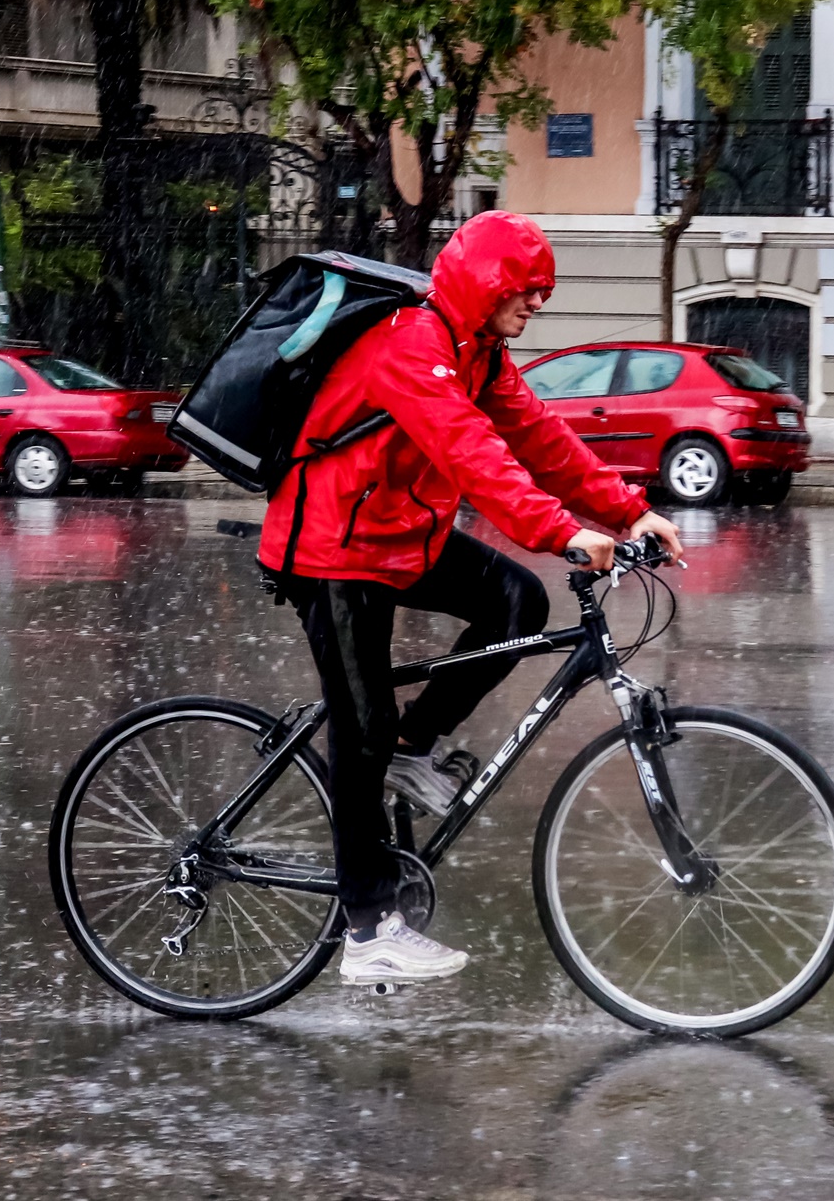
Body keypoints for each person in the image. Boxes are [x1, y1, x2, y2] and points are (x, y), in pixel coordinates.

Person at [257, 210, 685, 987]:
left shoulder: (479, 351)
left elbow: (538, 438)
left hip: (396, 536)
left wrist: (628, 510)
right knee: (360, 726)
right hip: (331, 545)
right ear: (487, 284)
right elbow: (471, 450)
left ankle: (413, 753)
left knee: (516, 604)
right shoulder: (412, 343)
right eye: (526, 292)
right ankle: (367, 927)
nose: (535, 307)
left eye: (541, 295)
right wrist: (558, 531)